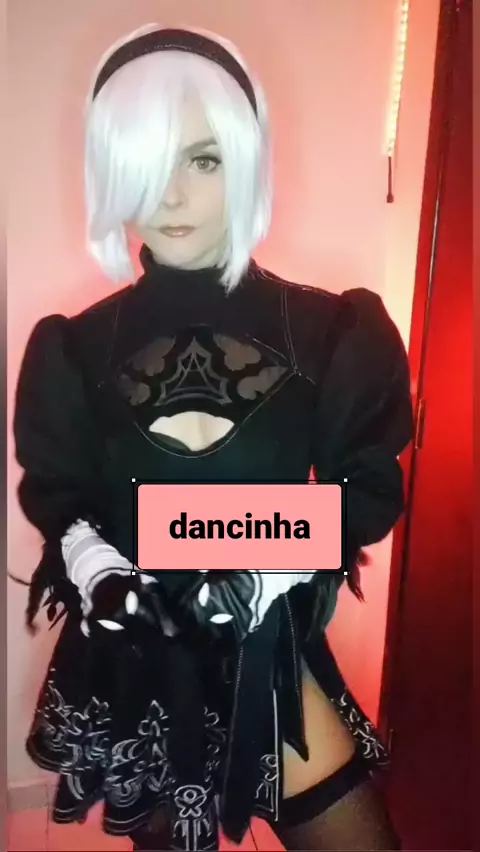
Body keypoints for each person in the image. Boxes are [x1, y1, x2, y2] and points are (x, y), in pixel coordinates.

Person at [12, 23, 414, 852]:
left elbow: (367, 489)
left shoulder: (331, 332)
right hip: (133, 658)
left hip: (266, 650)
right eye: (146, 165)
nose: (170, 197)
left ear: (248, 158)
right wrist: (100, 570)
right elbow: (62, 497)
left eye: (203, 160)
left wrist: (269, 565)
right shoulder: (73, 349)